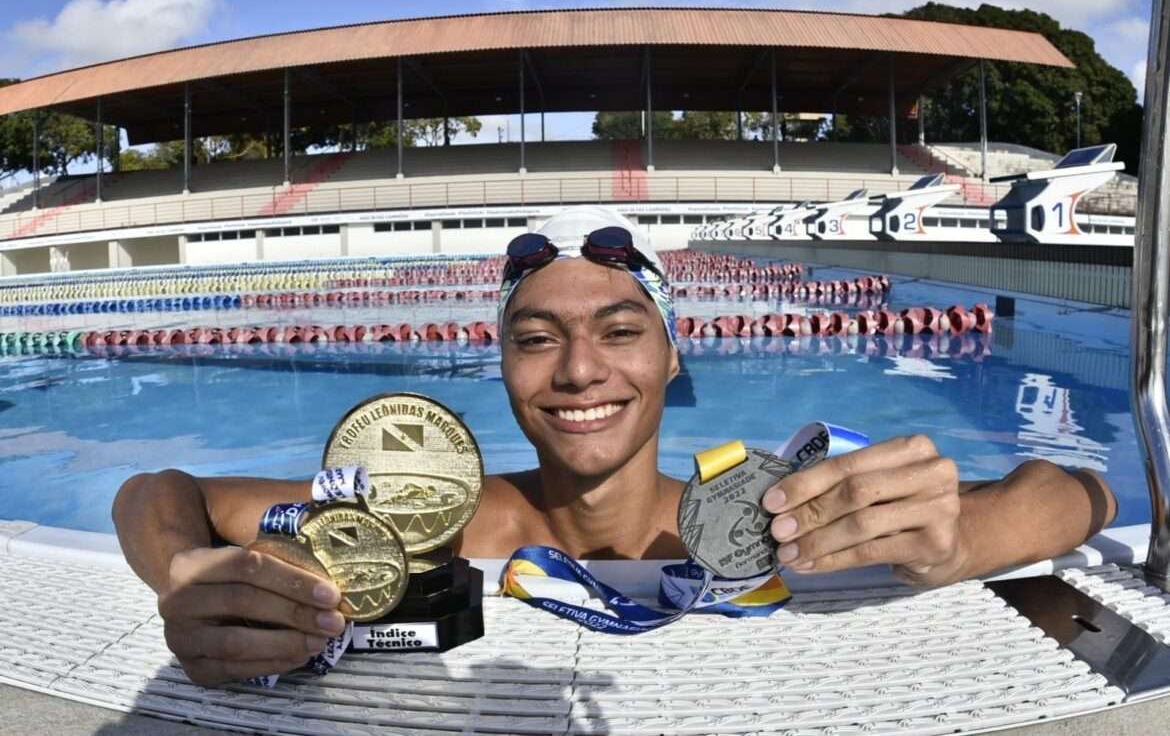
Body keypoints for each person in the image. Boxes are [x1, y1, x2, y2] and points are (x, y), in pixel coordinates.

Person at [113, 205, 1117, 687]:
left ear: (673, 359)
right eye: (537, 339)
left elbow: (1072, 489)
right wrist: (191, 572)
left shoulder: (780, 517)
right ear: (501, 369)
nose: (581, 372)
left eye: (621, 333)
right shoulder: (451, 513)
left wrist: (955, 542)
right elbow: (163, 490)